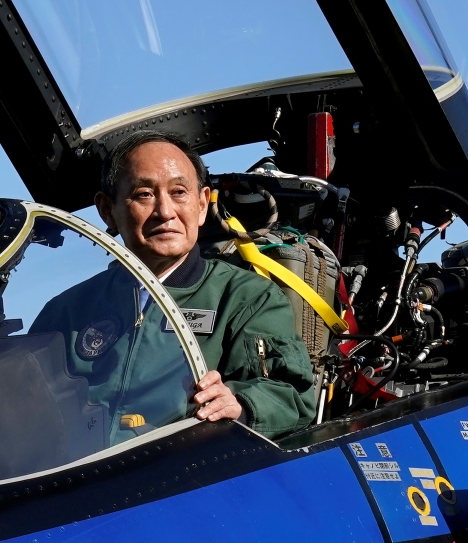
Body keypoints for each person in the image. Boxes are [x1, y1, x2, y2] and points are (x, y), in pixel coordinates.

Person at [30, 130, 315, 440]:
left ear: (202, 204)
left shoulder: (247, 299)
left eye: (179, 192)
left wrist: (240, 404)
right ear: (107, 210)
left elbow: (291, 394)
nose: (165, 212)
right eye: (144, 194)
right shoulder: (66, 312)